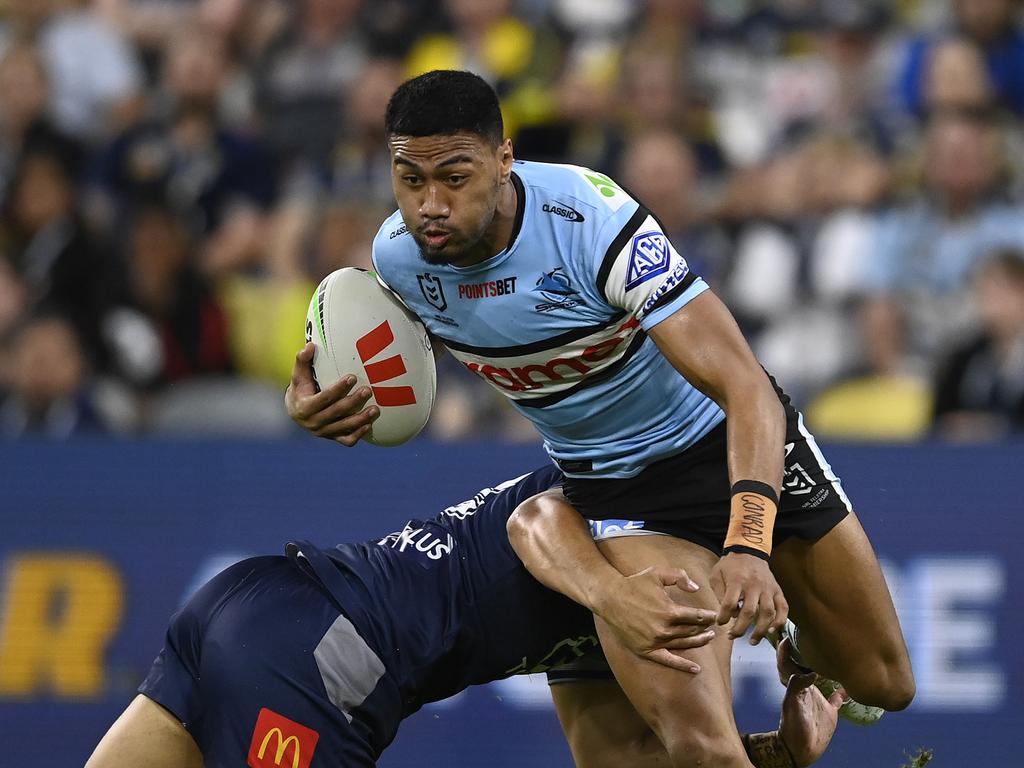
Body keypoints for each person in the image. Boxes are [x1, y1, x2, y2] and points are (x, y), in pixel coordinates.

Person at [285, 70, 913, 767]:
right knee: (702, 751)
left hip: (730, 444)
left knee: (884, 685)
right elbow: (373, 365)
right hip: (620, 497)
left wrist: (748, 544)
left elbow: (744, 385)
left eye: (455, 178)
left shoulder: (591, 221)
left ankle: (800, 641)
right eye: (410, 179)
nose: (430, 204)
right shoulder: (400, 261)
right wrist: (320, 400)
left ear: (503, 161)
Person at [86, 466, 842, 768]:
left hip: (257, 606)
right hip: (322, 659)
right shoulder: (648, 539)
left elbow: (619, 760)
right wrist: (615, 596)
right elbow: (535, 519)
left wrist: (778, 753)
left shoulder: (612, 609)